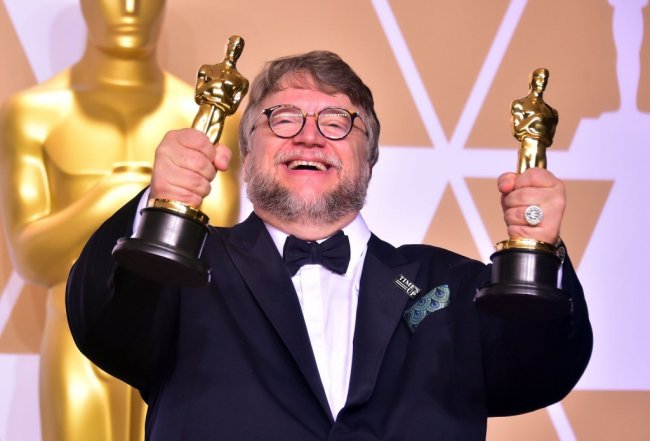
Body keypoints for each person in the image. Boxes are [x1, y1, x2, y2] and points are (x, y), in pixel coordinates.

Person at [66, 51, 592, 441]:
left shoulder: (452, 286)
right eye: (283, 118)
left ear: (369, 158)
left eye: (337, 122)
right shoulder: (188, 271)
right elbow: (103, 324)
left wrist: (538, 247)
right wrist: (160, 204)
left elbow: (540, 370)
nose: (309, 136)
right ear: (246, 154)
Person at [0, 0, 239, 440]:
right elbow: (32, 258)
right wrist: (124, 193)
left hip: (176, 336)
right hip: (75, 343)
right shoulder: (33, 114)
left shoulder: (212, 115)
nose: (130, 8)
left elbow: (215, 242)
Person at [511, 68, 559, 173]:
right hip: (526, 150)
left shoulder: (552, 112)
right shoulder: (520, 104)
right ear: (531, 80)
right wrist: (536, 118)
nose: (542, 81)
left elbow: (549, 139)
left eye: (545, 79)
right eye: (539, 78)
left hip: (541, 153)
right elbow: (518, 130)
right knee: (522, 180)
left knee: (540, 181)